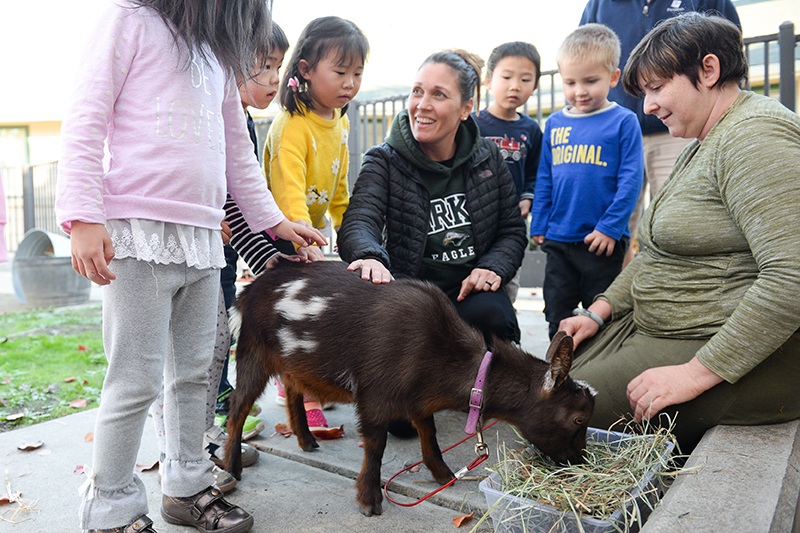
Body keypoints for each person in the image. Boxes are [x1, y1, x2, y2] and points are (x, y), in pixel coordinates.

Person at [54, 1, 327, 531]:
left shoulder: (217, 53)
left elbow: (236, 149)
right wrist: (84, 216)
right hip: (138, 233)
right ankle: (109, 507)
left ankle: (186, 486)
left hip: (202, 238)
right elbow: (86, 116)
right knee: (135, 379)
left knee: (194, 375)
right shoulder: (129, 19)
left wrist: (273, 220)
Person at [560, 13, 800, 452]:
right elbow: (655, 253)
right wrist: (599, 312)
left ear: (708, 70)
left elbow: (792, 274)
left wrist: (694, 374)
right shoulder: (705, 141)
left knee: (555, 413)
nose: (647, 107)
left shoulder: (755, 138)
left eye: (656, 88)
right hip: (669, 327)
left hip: (727, 348)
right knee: (547, 381)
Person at [149, 22, 292, 495]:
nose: (273, 78)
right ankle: (176, 452)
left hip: (218, 260)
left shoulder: (240, 121)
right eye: (263, 65)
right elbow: (226, 197)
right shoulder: (203, 108)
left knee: (211, 350)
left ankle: (199, 439)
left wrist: (269, 251)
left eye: (278, 67)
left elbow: (244, 195)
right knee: (178, 360)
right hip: (176, 252)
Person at [338, 48, 527, 347]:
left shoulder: (488, 156)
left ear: (466, 108)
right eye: (417, 91)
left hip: (469, 292)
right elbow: (360, 220)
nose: (422, 105)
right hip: (411, 292)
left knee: (495, 318)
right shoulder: (383, 160)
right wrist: (369, 255)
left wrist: (492, 267)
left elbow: (512, 230)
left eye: (438, 94)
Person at [264, 16, 369, 431]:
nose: (350, 83)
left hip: (312, 233)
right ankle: (302, 393)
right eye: (340, 72)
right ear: (306, 70)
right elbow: (287, 188)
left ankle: (300, 383)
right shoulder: (292, 125)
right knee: (299, 316)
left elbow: (339, 185)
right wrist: (302, 238)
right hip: (281, 232)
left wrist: (349, 229)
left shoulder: (339, 119)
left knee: (317, 314)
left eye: (357, 73)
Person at [580, 0, 740, 266]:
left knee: (680, 223)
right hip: (613, 133)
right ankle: (620, 291)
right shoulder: (600, 4)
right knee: (609, 231)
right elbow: (583, 57)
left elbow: (728, 48)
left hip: (677, 132)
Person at [530, 24, 643, 339]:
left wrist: (610, 227)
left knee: (600, 312)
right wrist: (539, 221)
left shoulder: (624, 121)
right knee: (557, 311)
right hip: (559, 237)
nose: (579, 90)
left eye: (590, 81)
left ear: (613, 77)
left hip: (601, 240)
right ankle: (557, 364)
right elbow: (545, 177)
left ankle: (597, 364)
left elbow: (631, 180)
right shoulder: (555, 123)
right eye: (570, 82)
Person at [472, 41, 543, 303]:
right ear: (488, 81)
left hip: (511, 222)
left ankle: (506, 320)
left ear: (534, 86)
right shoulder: (473, 124)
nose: (515, 86)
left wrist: (528, 198)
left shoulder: (531, 130)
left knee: (508, 281)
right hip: (476, 219)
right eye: (507, 77)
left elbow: (535, 171)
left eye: (525, 79)